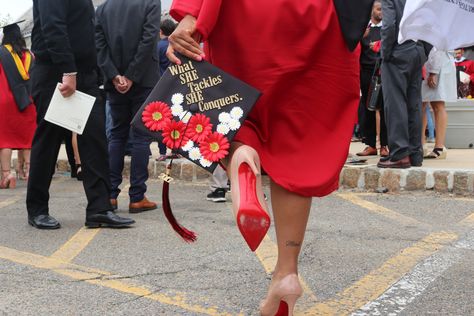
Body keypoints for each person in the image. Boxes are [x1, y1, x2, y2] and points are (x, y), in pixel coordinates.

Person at [167, 0, 373, 314]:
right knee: (298, 145)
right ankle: (286, 274)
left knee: (236, 109)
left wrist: (191, 15)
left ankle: (242, 155)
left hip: (247, 14)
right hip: (320, 18)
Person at [26, 0, 135, 229]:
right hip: (56, 73)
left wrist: (101, 73)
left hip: (84, 74)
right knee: (48, 142)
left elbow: (87, 31)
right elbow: (52, 25)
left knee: (95, 140)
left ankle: (100, 208)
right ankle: (37, 209)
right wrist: (68, 70)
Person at [95, 0, 161, 213]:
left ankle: (111, 195)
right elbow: (149, 40)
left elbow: (99, 45)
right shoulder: (150, 3)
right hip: (143, 78)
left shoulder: (103, 8)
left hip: (114, 81)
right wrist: (132, 75)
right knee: (141, 136)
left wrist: (114, 75)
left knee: (117, 135)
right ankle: (137, 197)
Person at [377, 0, 430, 169]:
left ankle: (400, 153)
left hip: (397, 52)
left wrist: (385, 53)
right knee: (413, 103)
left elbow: (389, 25)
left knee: (395, 103)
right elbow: (430, 23)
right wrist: (423, 51)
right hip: (416, 50)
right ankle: (415, 154)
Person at [0, 21, 37, 189]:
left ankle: (7, 174)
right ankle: (30, 172)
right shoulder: (30, 55)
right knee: (28, 139)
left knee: (5, 140)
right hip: (28, 101)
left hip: (5, 101)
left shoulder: (1, 53)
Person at [356, 0, 389, 158]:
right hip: (366, 71)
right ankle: (370, 144)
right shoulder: (363, 29)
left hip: (383, 72)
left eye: (382, 9)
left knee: (384, 108)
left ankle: (384, 145)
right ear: (371, 11)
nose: (381, 11)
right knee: (368, 107)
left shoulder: (387, 28)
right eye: (378, 9)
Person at [421, 48, 457, 159]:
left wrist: (434, 71)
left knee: (438, 104)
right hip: (428, 64)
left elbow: (438, 47)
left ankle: (439, 147)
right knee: (421, 103)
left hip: (438, 65)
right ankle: (420, 144)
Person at [156, 19, 178, 162]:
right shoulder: (174, 46)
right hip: (175, 87)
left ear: (161, 31)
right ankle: (174, 149)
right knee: (175, 119)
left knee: (160, 120)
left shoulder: (157, 47)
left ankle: (163, 151)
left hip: (160, 87)